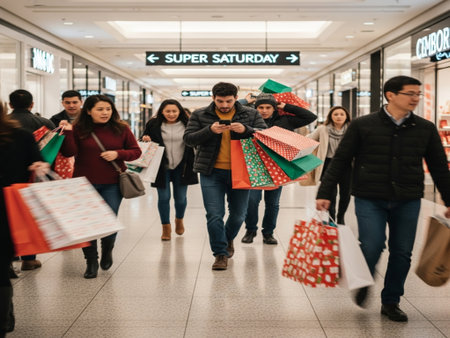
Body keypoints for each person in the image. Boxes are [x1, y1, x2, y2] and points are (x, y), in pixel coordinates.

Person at [316, 76, 450, 322]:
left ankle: (391, 301)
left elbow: (439, 167)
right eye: (410, 93)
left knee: (402, 252)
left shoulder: (425, 128)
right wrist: (324, 193)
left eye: (418, 94)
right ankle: (365, 280)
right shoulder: (363, 125)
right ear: (390, 95)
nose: (415, 98)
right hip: (370, 197)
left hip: (408, 198)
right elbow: (341, 160)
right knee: (372, 244)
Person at [183, 82, 267, 270]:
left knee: (239, 215)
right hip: (211, 172)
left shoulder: (250, 114)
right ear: (213, 98)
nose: (224, 105)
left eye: (229, 101)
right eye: (220, 101)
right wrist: (209, 130)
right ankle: (220, 254)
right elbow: (188, 139)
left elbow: (265, 135)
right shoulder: (200, 114)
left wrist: (247, 130)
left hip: (242, 171)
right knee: (214, 214)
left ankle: (227, 239)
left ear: (236, 98)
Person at [59, 95, 141, 279]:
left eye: (108, 109)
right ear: (88, 111)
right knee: (88, 224)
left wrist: (117, 154)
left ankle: (107, 250)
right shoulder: (79, 129)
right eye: (100, 109)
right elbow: (69, 152)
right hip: (83, 183)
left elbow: (136, 152)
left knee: (109, 221)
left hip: (112, 182)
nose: (105, 113)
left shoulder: (122, 128)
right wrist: (68, 132)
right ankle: (91, 261)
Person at [0, 99, 50, 336]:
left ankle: (4, 314)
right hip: (10, 206)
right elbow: (38, 160)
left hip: (8, 206)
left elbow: (38, 161)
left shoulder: (20, 135)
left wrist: (38, 166)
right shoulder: (22, 135)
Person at [241, 93, 317, 244]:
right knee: (251, 201)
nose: (264, 110)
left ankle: (268, 233)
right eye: (260, 107)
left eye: (268, 107)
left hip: (277, 166)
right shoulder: (249, 120)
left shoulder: (285, 120)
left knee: (273, 203)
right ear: (255, 108)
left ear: (274, 108)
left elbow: (310, 117)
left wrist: (286, 106)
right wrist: (244, 102)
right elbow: (231, 112)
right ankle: (250, 230)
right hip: (254, 165)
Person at [8, 89, 55, 271]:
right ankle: (29, 259)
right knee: (30, 217)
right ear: (32, 104)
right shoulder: (43, 122)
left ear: (10, 105)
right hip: (33, 179)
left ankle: (10, 258)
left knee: (9, 218)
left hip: (8, 180)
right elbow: (53, 150)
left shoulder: (5, 124)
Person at [142, 99, 198, 241]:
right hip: (161, 167)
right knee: (164, 197)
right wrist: (145, 139)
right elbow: (144, 139)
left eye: (174, 111)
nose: (171, 114)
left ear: (180, 111)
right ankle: (165, 227)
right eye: (168, 111)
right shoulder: (153, 124)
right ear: (162, 111)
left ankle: (179, 219)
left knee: (180, 199)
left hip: (182, 166)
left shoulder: (188, 124)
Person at [307, 106, 351, 224]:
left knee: (346, 194)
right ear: (331, 116)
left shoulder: (352, 129)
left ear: (346, 116)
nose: (339, 117)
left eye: (342, 114)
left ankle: (341, 217)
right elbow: (308, 140)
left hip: (347, 166)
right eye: (335, 114)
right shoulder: (323, 129)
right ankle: (331, 218)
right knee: (330, 194)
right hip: (328, 165)